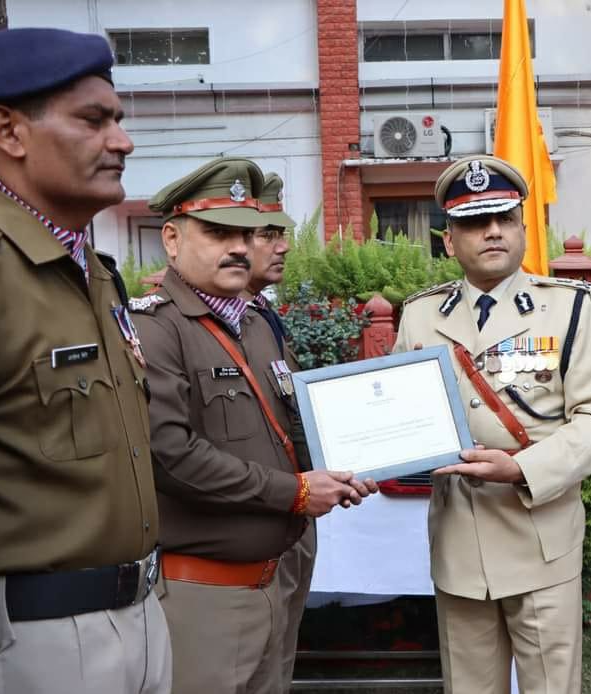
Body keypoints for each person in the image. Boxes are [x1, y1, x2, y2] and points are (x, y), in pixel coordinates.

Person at [130, 157, 377, 694]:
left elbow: (288, 426)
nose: (239, 246)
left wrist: (354, 462)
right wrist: (296, 493)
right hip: (204, 595)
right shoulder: (155, 328)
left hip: (268, 583)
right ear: (171, 239)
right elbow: (170, 454)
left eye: (246, 232)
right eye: (218, 231)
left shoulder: (253, 324)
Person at [394, 155, 591, 694]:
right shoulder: (421, 316)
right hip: (459, 543)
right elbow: (406, 415)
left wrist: (523, 468)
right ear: (449, 241)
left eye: (504, 218)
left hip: (539, 536)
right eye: (475, 222)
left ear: (524, 229)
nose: (492, 231)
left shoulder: (568, 308)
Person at [0, 28, 171, 693]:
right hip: (37, 637)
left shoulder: (89, 269)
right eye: (93, 121)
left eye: (118, 121)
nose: (122, 141)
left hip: (140, 614)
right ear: (8, 131)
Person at [241, 172, 318, 690]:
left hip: (292, 519)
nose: (283, 246)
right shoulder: (196, 323)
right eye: (268, 234)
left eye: (281, 233)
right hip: (248, 530)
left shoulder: (262, 315)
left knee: (279, 662)